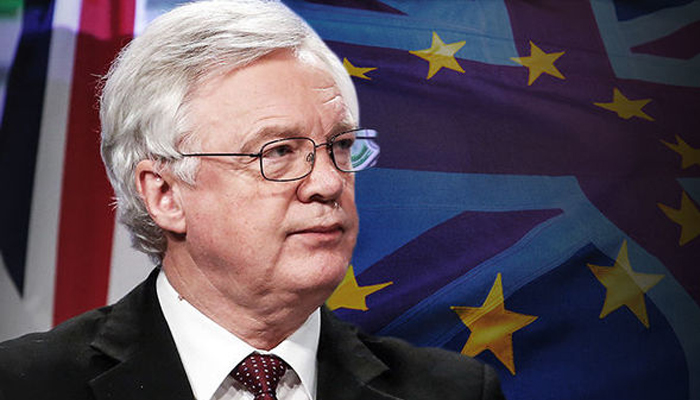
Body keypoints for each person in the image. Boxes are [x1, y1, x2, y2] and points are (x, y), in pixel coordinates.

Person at [0, 1, 505, 399]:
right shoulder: (24, 385)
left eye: (340, 146)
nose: (328, 183)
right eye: (278, 152)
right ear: (165, 194)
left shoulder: (454, 391)